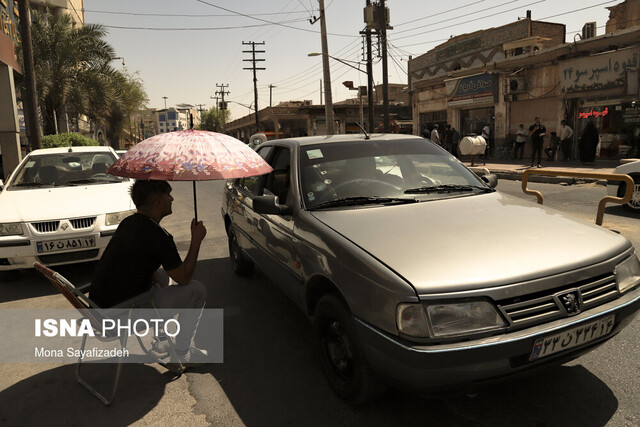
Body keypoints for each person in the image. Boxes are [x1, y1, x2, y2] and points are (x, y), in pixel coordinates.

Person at [90, 179, 208, 370]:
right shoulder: (159, 237)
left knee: (161, 275)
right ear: (158, 202)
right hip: (120, 317)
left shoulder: (129, 223)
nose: (172, 198)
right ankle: (182, 353)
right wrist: (196, 241)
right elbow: (184, 277)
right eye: (168, 194)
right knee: (196, 290)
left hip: (98, 311)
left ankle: (162, 340)